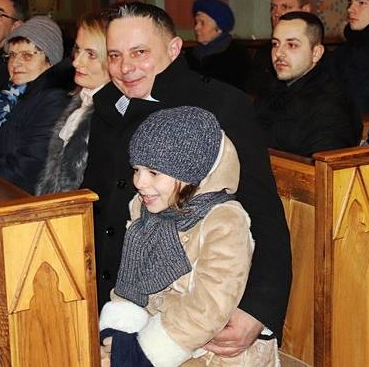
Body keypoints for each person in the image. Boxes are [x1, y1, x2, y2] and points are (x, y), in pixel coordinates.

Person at [83, 2, 291, 357]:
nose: (125, 67)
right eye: (115, 55)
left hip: (188, 303)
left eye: (140, 52)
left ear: (174, 48)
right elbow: (98, 202)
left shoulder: (220, 105)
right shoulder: (108, 107)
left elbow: (264, 212)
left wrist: (257, 309)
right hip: (119, 298)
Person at [98, 106, 278, 366]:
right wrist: (121, 330)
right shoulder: (144, 208)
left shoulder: (224, 221)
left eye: (153, 172)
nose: (139, 182)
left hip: (213, 350)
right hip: (155, 335)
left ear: (191, 174)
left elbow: (209, 305)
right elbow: (132, 274)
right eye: (136, 169)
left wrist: (143, 352)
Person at [0, 15, 70, 193]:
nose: (15, 62)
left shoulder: (54, 101)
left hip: (20, 197)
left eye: (27, 56)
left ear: (50, 61)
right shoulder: (7, 95)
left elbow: (29, 166)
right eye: (12, 55)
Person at [255, 12, 360, 156]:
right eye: (275, 44)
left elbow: (321, 165)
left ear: (316, 53)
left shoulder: (331, 104)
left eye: (292, 45)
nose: (278, 53)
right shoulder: (269, 91)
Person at [35, 12, 110, 195]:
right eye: (77, 49)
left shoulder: (110, 115)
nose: (76, 62)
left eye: (91, 54)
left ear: (114, 58)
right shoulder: (79, 102)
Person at [246, 0, 311, 96]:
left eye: (285, 7)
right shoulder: (264, 53)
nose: (276, 13)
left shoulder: (317, 55)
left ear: (305, 10)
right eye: (273, 8)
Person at [185, 0, 250, 90]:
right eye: (196, 22)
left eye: (202, 23)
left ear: (219, 28)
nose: (196, 27)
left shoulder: (237, 55)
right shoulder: (189, 55)